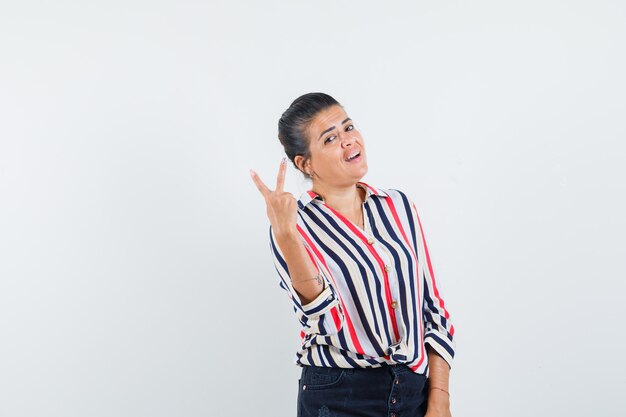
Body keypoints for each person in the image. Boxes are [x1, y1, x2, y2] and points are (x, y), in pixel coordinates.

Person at [250, 93, 456, 417]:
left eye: (348, 127)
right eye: (330, 138)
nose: (349, 141)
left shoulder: (398, 206)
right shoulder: (293, 227)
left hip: (414, 392)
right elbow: (326, 321)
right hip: (339, 396)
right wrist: (288, 236)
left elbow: (432, 308)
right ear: (305, 164)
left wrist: (440, 396)